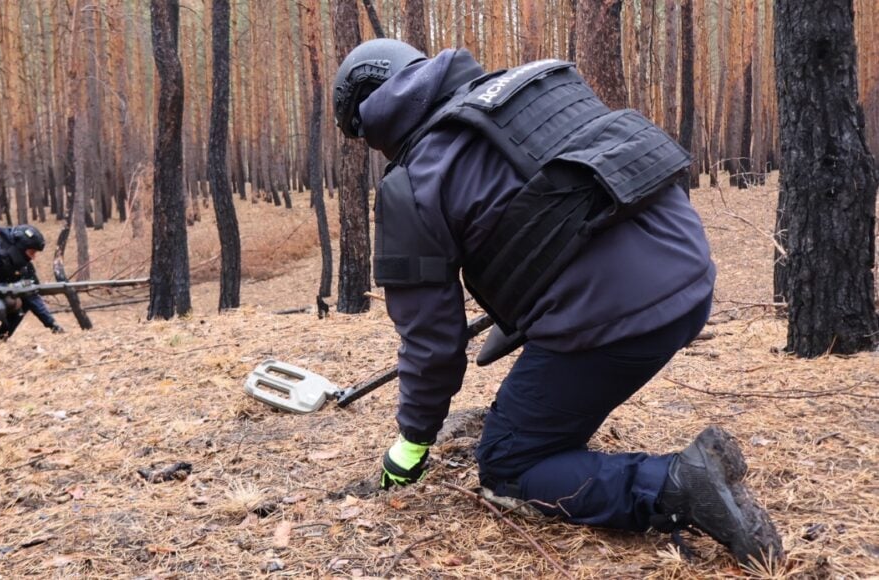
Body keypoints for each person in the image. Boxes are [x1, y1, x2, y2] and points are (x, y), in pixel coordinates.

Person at [332, 39, 783, 566]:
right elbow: (580, 197)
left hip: (623, 320)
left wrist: (411, 443)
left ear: (367, 120)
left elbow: (431, 344)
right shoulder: (528, 88)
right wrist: (528, 306)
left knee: (509, 465)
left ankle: (679, 483)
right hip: (690, 271)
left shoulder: (411, 182)